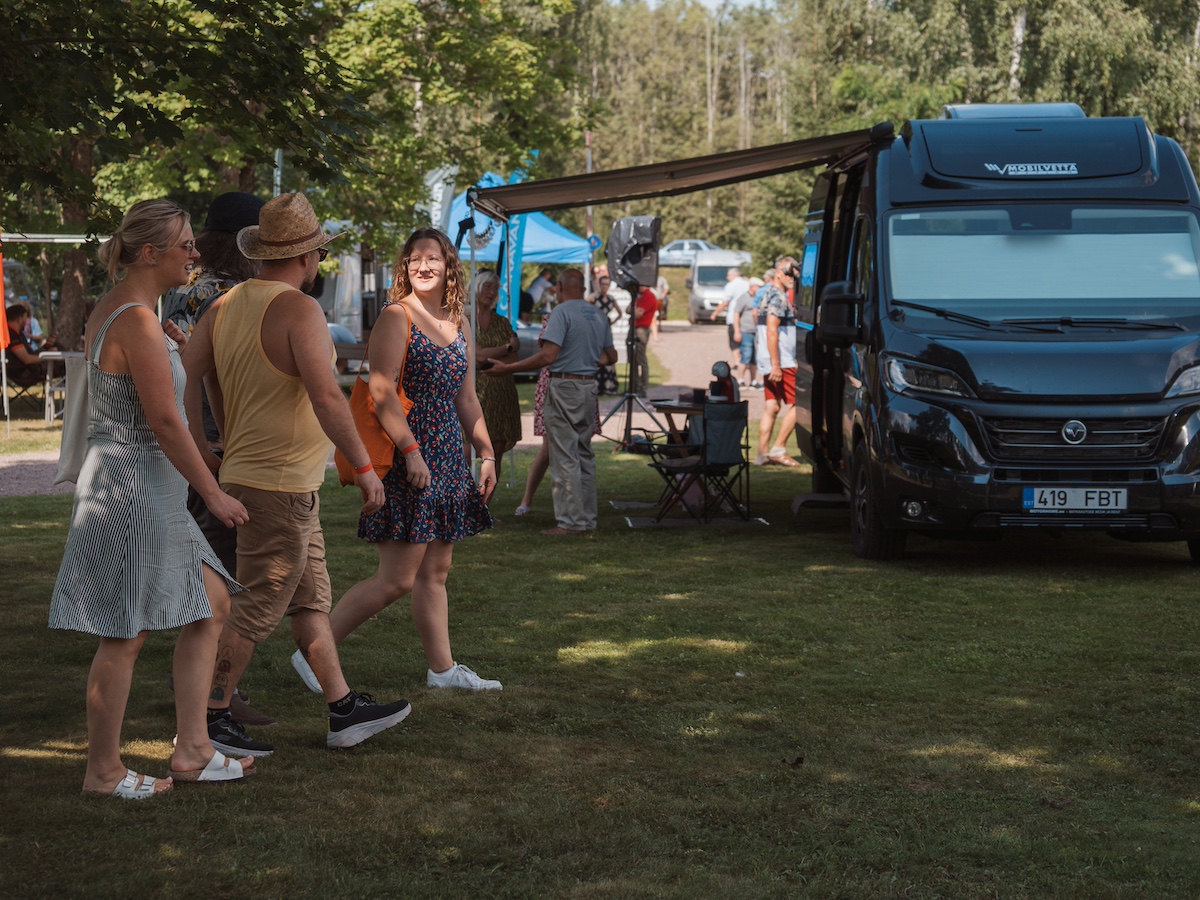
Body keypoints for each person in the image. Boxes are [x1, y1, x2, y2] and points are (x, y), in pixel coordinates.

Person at [183, 192, 411, 756]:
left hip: (268, 479)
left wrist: (206, 447)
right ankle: (212, 716)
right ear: (309, 257)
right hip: (278, 486)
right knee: (259, 601)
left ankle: (343, 709)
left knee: (309, 602)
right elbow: (327, 397)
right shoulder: (300, 309)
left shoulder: (224, 305)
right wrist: (365, 466)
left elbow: (186, 374)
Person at [49, 199, 253, 799]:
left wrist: (168, 348)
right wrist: (213, 493)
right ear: (149, 253)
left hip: (146, 483)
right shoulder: (135, 318)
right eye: (186, 244)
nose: (195, 252)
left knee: (211, 603)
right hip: (131, 487)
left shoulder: (131, 311)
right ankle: (103, 771)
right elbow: (164, 422)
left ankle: (193, 749)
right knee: (125, 632)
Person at [296, 227, 500, 693]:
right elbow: (382, 391)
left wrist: (486, 452)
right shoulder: (396, 315)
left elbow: (467, 397)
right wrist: (411, 451)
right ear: (405, 266)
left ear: (449, 265)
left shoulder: (459, 322)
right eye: (415, 259)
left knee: (435, 572)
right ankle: (312, 653)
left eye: (433, 258)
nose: (424, 266)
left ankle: (442, 670)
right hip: (407, 453)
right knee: (396, 578)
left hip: (447, 456)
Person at [160, 190, 274, 727]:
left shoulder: (185, 287)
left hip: (193, 440)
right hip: (218, 440)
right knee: (222, 565)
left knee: (209, 560)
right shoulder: (228, 294)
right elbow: (212, 374)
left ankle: (202, 679)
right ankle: (212, 692)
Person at [488, 268, 617, 535]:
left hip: (565, 385)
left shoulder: (561, 312)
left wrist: (509, 368)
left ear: (559, 286)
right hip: (588, 387)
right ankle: (587, 519)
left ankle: (570, 523)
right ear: (582, 288)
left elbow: (548, 356)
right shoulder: (598, 314)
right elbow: (611, 356)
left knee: (563, 455)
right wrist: (587, 361)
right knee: (584, 454)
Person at [514, 307, 604, 517]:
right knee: (550, 449)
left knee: (578, 448)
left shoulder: (591, 317)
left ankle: (576, 512)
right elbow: (549, 355)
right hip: (555, 382)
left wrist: (583, 361)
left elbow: (606, 355)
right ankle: (530, 500)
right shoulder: (557, 317)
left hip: (575, 381)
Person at [468, 270, 521, 478]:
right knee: (466, 451)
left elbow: (514, 359)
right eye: (488, 287)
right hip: (473, 394)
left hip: (501, 394)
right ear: (476, 287)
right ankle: (464, 497)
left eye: (496, 288)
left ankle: (486, 498)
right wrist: (507, 347)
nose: (492, 292)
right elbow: (478, 355)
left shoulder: (502, 322)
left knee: (495, 453)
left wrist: (496, 356)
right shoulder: (463, 319)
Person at [755, 260, 801, 467]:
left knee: (772, 405)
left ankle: (761, 454)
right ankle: (779, 449)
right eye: (788, 273)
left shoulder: (767, 293)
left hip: (769, 359)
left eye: (794, 274)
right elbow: (772, 329)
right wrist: (776, 364)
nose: (792, 277)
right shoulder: (778, 297)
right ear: (778, 273)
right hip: (782, 361)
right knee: (800, 404)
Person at [587, 274, 621, 395]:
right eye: (603, 284)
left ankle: (608, 385)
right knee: (595, 354)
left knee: (608, 353)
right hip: (595, 330)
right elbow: (583, 306)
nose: (604, 287)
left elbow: (620, 313)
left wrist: (612, 322)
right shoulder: (594, 297)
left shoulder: (611, 298)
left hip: (606, 329)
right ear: (599, 285)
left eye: (607, 284)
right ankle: (595, 385)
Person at [710, 267, 749, 368]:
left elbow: (725, 302)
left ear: (733, 275)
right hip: (746, 317)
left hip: (733, 316)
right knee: (745, 339)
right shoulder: (747, 284)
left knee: (733, 340)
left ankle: (737, 361)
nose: (727, 278)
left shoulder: (731, 285)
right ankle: (745, 360)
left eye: (728, 275)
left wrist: (715, 313)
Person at [4, 302, 49, 386]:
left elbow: (31, 353)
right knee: (64, 365)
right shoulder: (11, 335)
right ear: (19, 318)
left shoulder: (19, 334)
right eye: (26, 318)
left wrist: (47, 348)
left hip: (29, 369)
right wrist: (49, 357)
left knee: (57, 348)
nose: (26, 321)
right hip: (23, 373)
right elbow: (27, 359)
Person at [731, 276, 764, 389]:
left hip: (757, 332)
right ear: (752, 286)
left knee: (755, 357)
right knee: (746, 355)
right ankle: (740, 379)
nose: (760, 289)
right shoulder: (743, 298)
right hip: (746, 331)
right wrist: (737, 331)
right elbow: (736, 314)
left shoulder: (759, 298)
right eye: (758, 287)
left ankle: (753, 380)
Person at [630, 283, 659, 396]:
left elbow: (637, 314)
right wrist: (633, 309)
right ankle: (633, 387)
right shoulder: (638, 296)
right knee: (632, 360)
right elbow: (628, 310)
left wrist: (633, 309)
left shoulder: (649, 296)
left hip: (641, 329)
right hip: (634, 327)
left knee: (641, 359)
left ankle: (643, 387)